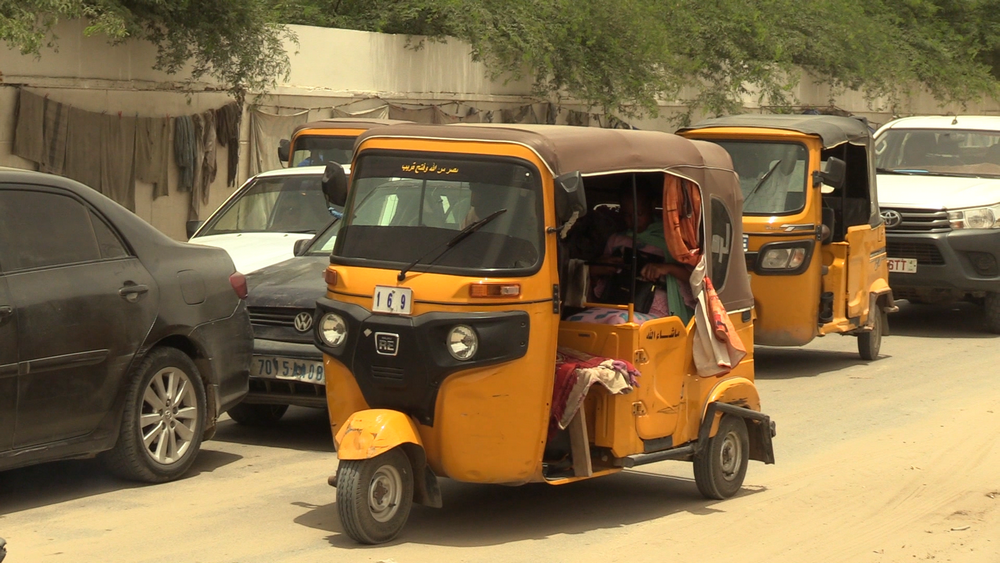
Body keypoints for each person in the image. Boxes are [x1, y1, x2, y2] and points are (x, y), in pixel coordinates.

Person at [567, 183, 693, 325]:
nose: (633, 220)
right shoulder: (616, 240)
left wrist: (667, 268)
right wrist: (600, 268)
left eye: (639, 213)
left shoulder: (671, 240)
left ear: (652, 206)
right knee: (573, 321)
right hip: (617, 303)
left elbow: (694, 278)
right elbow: (597, 280)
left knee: (619, 322)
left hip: (657, 308)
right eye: (627, 215)